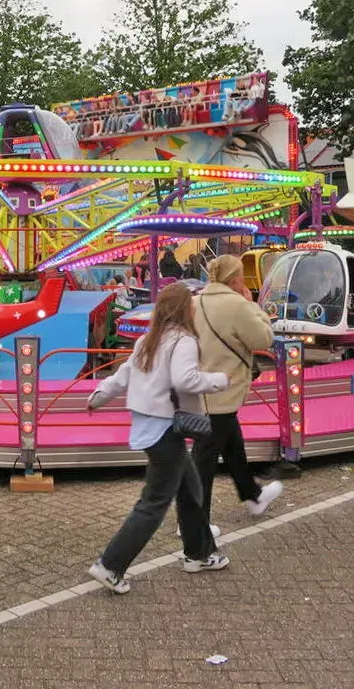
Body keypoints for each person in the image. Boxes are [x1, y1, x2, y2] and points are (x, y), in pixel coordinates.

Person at [85, 282, 230, 596]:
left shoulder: (148, 340)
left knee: (191, 489)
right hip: (167, 428)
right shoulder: (185, 341)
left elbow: (124, 375)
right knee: (154, 503)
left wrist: (98, 396)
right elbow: (185, 379)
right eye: (191, 303)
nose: (195, 308)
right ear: (183, 309)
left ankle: (199, 554)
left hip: (152, 427)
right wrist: (219, 380)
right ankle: (110, 565)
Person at [191, 255, 282, 522]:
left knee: (232, 444)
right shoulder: (237, 305)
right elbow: (263, 337)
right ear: (233, 279)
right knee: (204, 459)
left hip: (200, 386)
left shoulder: (196, 301)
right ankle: (193, 525)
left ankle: (252, 495)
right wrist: (252, 305)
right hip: (224, 388)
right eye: (241, 275)